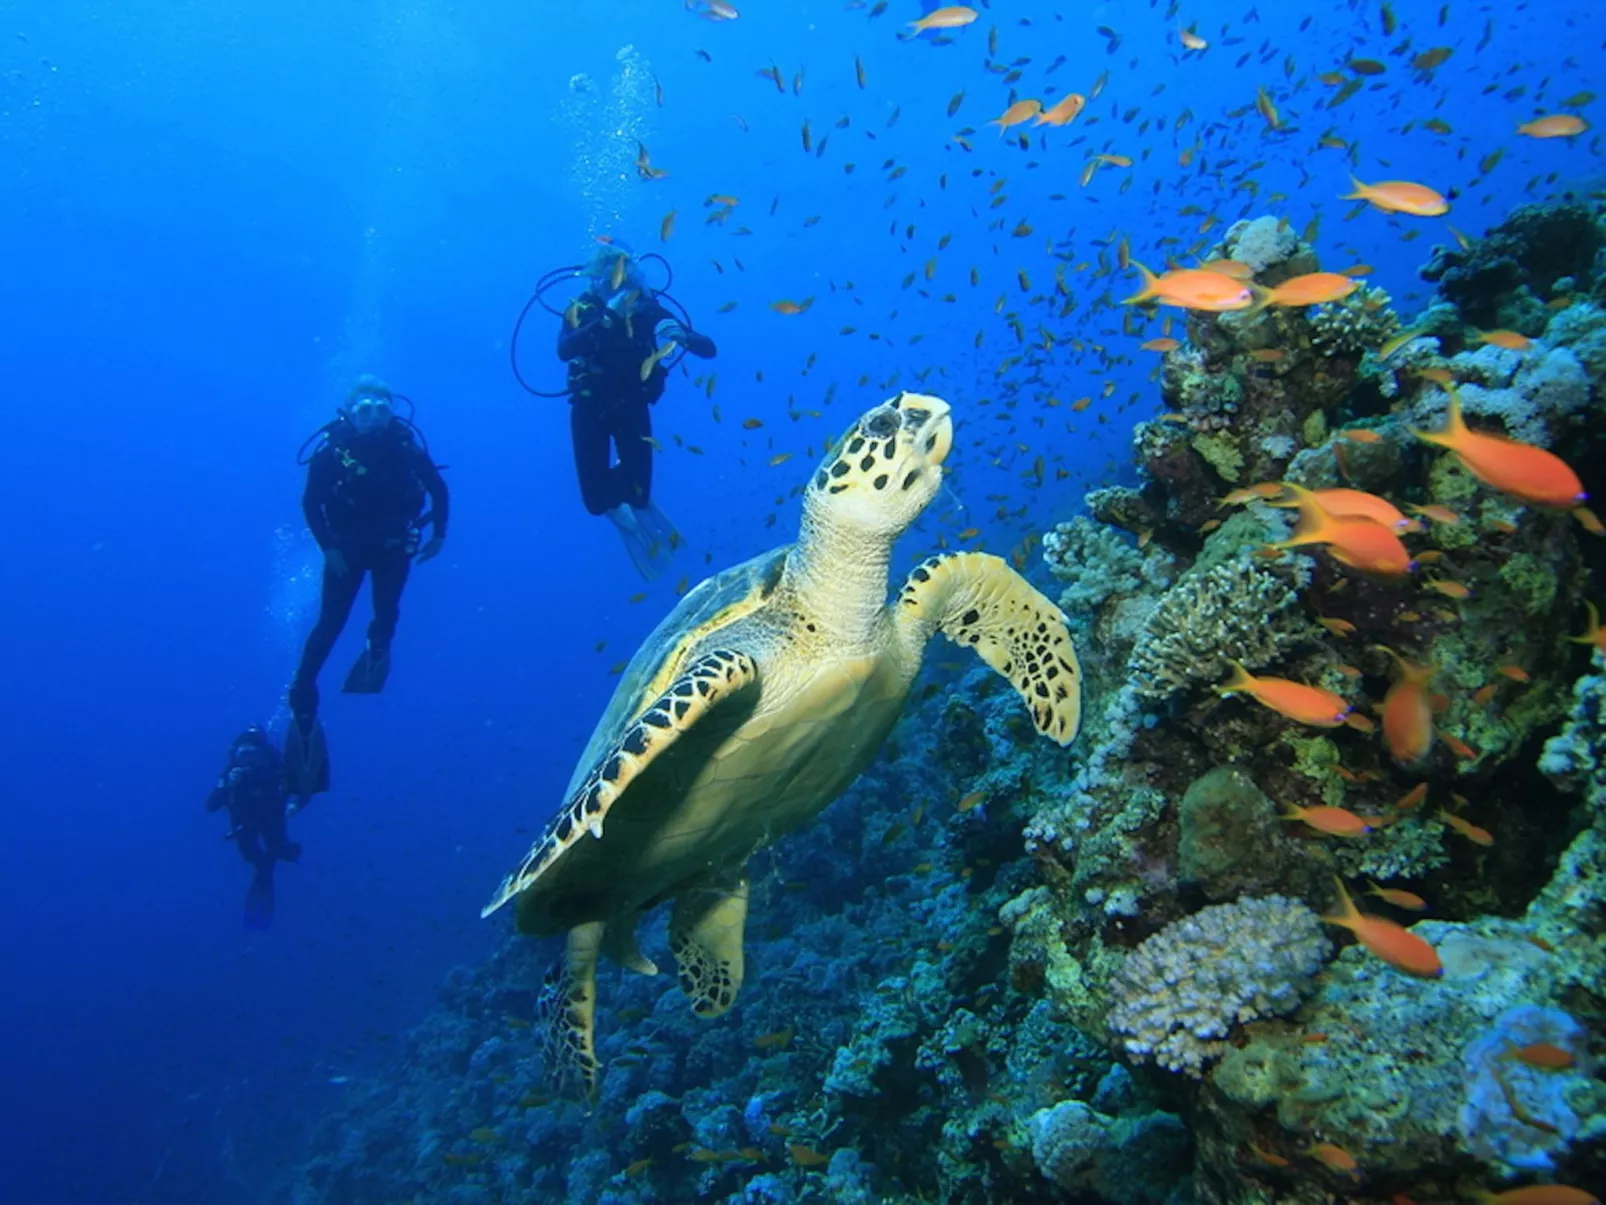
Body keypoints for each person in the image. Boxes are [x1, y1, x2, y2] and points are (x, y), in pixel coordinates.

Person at [286, 377, 449, 793]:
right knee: (330, 625)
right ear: (349, 414)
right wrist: (328, 549)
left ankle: (377, 650)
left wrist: (439, 535)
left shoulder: (404, 446)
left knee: (387, 614)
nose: (373, 416)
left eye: (381, 408)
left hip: (393, 548)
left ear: (392, 411)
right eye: (364, 410)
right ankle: (302, 699)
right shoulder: (331, 454)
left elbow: (438, 487)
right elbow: (311, 504)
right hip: (347, 553)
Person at [557, 242, 716, 578]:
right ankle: (615, 502)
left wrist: (682, 336)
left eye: (625, 276)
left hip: (632, 404)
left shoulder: (648, 309)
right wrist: (608, 319)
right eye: (610, 277)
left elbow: (709, 349)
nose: (619, 285)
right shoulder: (581, 308)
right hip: (589, 406)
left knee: (640, 496)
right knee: (595, 504)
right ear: (597, 279)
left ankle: (625, 487)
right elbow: (564, 349)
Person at [207, 725, 302, 930]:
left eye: (252, 754)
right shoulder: (231, 774)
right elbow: (211, 806)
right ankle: (263, 879)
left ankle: (276, 861)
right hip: (244, 823)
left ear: (263, 753)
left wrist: (296, 804)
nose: (247, 761)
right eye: (243, 754)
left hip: (272, 819)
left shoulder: (277, 767)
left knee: (277, 849)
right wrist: (226, 787)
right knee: (256, 858)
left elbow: (302, 788)